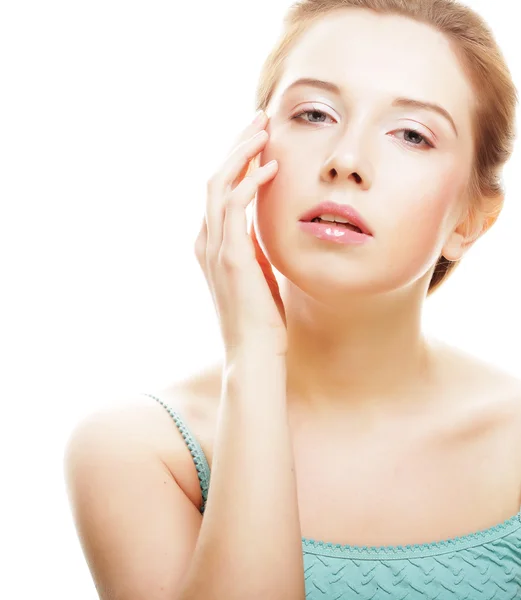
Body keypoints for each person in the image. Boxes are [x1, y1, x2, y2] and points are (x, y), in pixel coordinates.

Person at [64, 0, 521, 598]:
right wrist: (253, 356)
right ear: (252, 152)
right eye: (314, 114)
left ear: (471, 221)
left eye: (412, 133)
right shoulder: (142, 451)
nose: (347, 161)